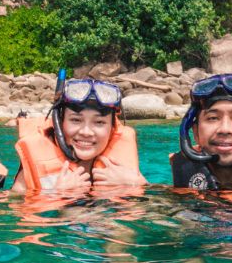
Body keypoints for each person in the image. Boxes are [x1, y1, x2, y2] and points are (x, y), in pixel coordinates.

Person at [12, 76, 145, 195]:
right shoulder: (29, 172)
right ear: (59, 121)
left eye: (99, 122)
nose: (86, 132)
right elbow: (13, 210)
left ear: (112, 128)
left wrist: (137, 184)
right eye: (76, 120)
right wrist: (55, 194)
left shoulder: (123, 170)